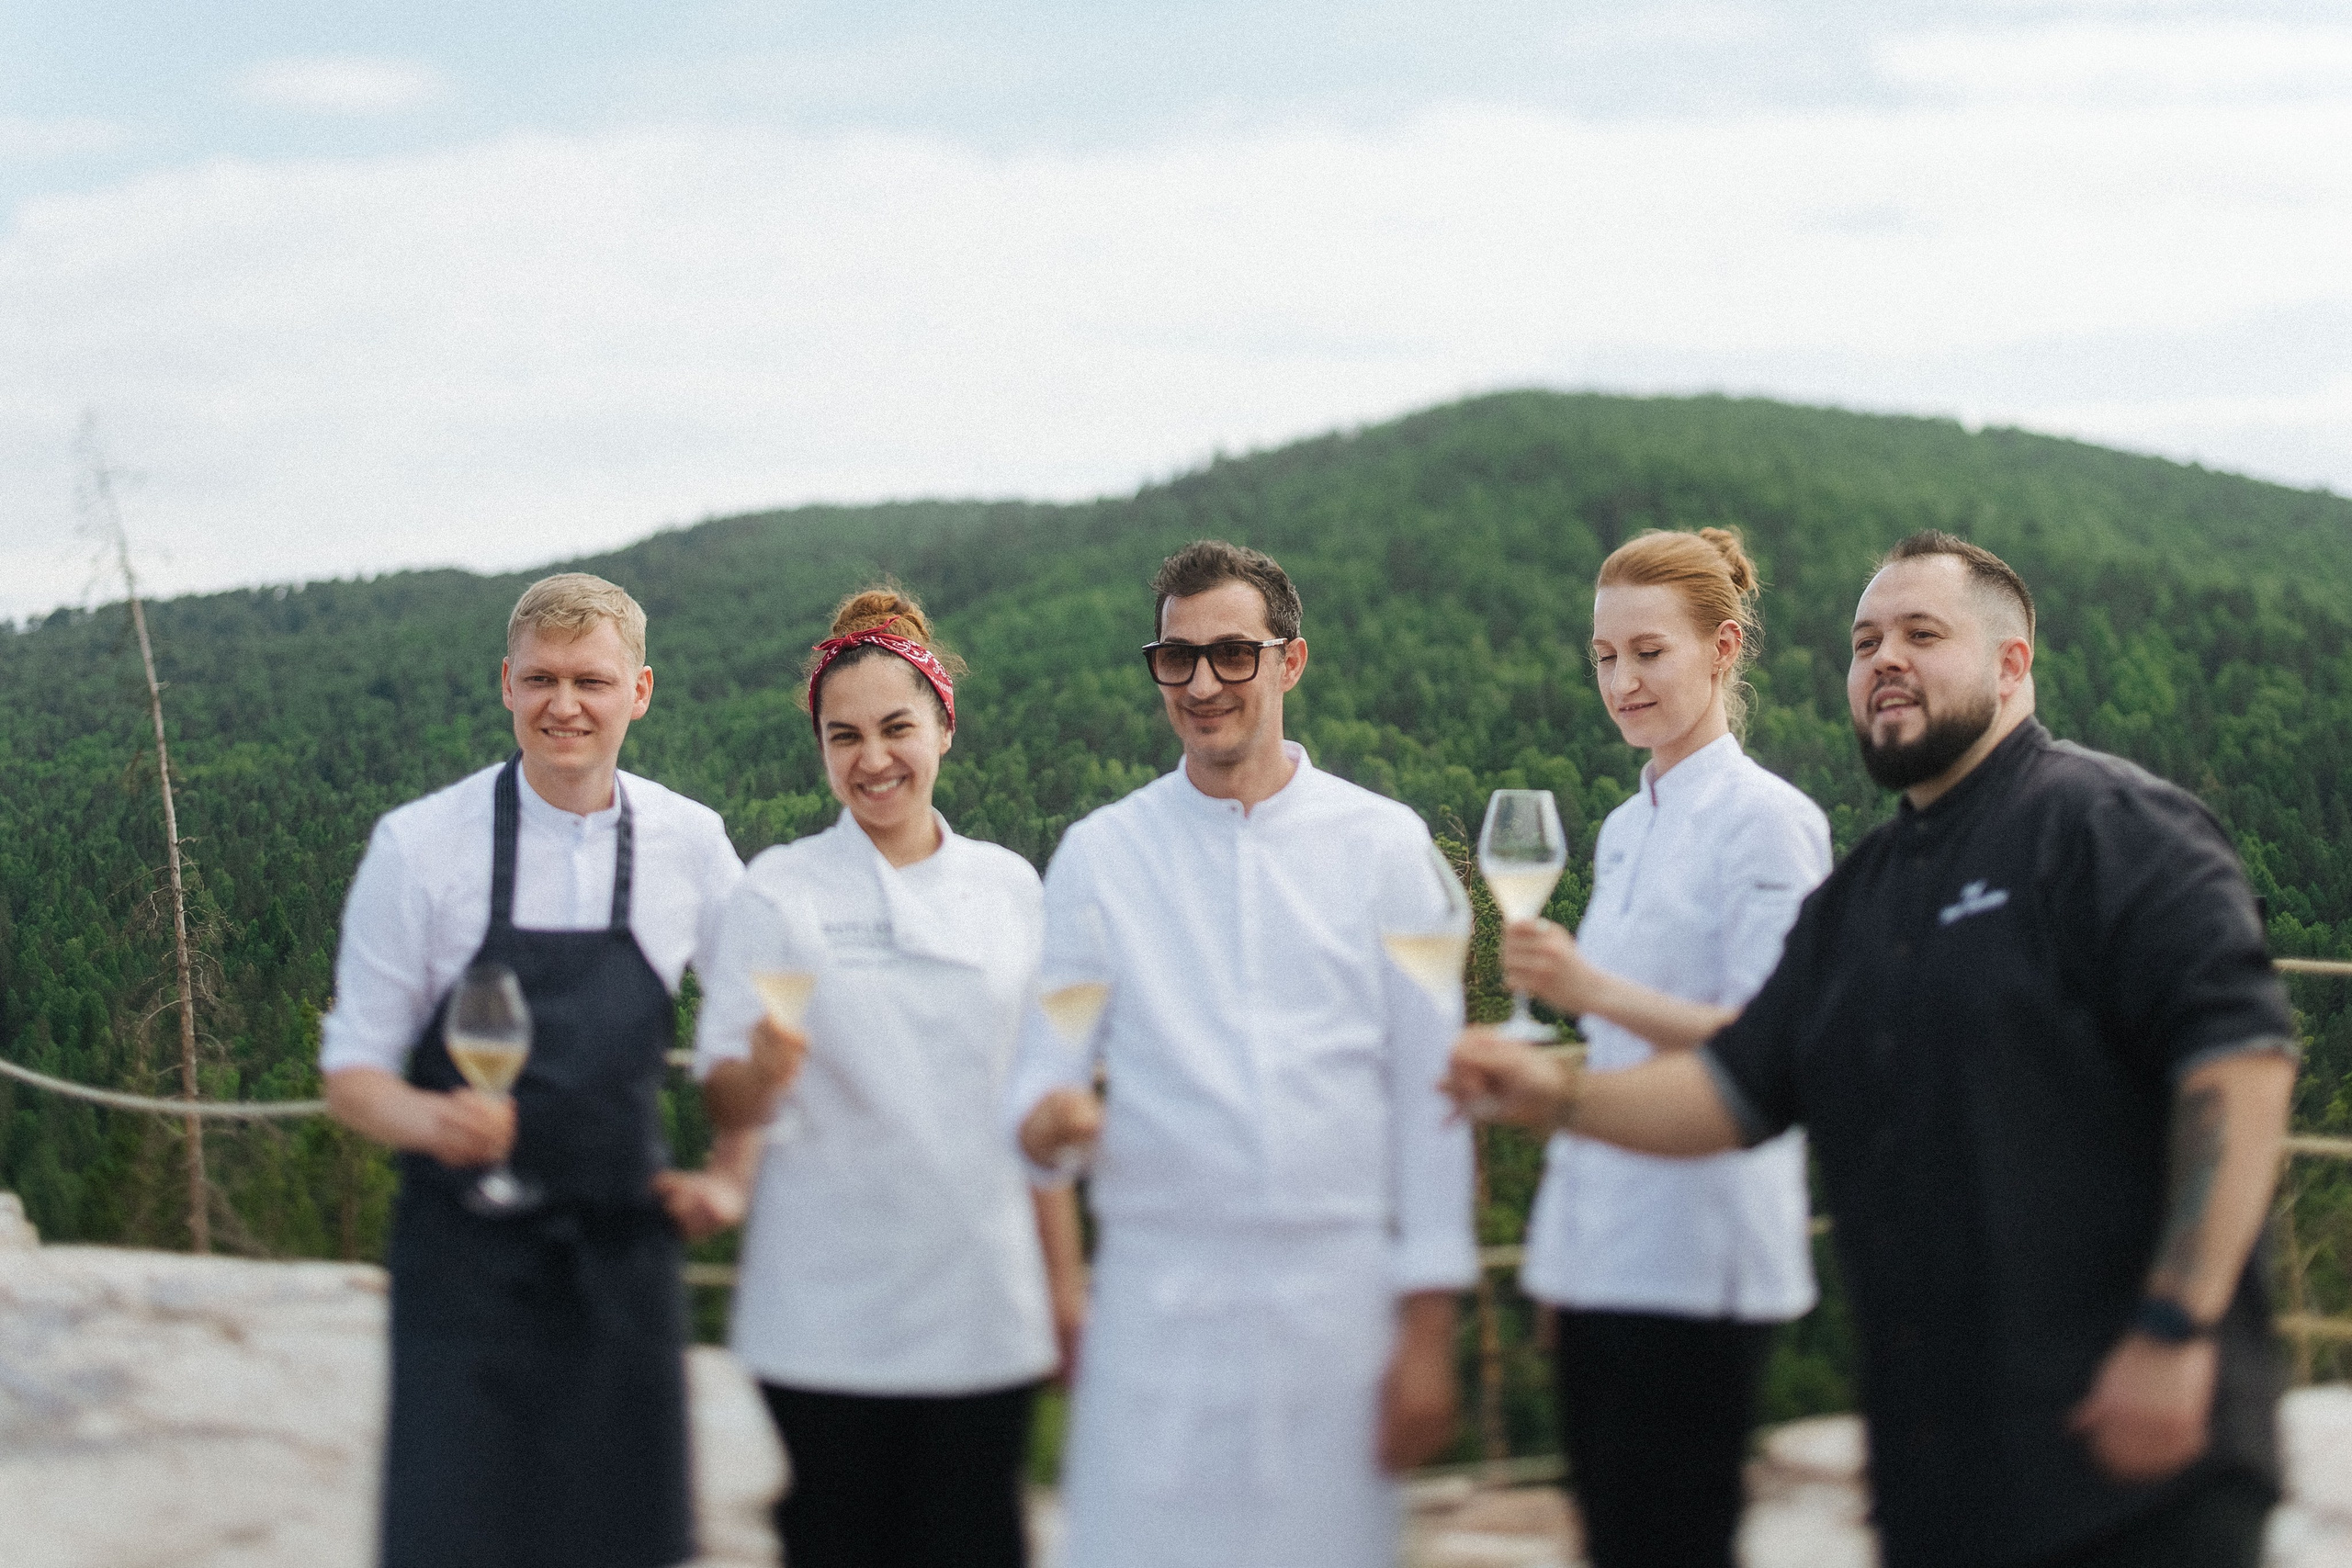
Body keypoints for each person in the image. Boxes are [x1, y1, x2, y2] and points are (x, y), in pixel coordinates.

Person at [1447, 531, 2297, 1568]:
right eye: (1864, 641)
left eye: (1921, 634)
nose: (1884, 658)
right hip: (1938, 1473)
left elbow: (2240, 1065)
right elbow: (1732, 1087)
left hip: (2131, 1471)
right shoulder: (1865, 897)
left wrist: (2175, 1332)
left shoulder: (2112, 826)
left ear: (2010, 662)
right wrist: (1545, 1094)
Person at [1012, 539, 1477, 1568]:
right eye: (1176, 659)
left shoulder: (1386, 847)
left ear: (1289, 662)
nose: (1204, 683)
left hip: (1338, 1311)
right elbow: (1042, 1075)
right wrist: (1047, 1126)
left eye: (1233, 654)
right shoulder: (1101, 854)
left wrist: (1430, 1336)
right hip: (1156, 1313)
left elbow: (1429, 1095)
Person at [320, 572, 744, 1568]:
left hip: (620, 1263)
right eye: (541, 679)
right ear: (504, 684)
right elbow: (351, 1074)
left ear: (640, 691)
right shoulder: (418, 847)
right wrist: (430, 1123)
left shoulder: (692, 843)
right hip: (463, 1270)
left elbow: (751, 1032)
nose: (564, 705)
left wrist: (734, 1169)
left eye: (592, 681)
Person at [663, 587, 1089, 1568]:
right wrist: (759, 1075)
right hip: (824, 1312)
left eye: (897, 728)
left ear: (944, 727)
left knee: (977, 1539)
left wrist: (1064, 1295)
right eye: (842, 735)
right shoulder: (781, 890)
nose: (872, 759)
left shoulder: (1010, 890)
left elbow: (1036, 1103)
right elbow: (725, 1097)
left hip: (983, 1303)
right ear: (820, 747)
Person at [1501, 527, 1828, 1568]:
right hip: (1605, 1244)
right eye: (1604, 657)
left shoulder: (1769, 823)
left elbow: (1775, 1039)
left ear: (1722, 647)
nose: (1622, 680)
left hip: (1701, 1254)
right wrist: (1561, 1257)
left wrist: (1588, 988)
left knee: (1673, 1540)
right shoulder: (1623, 826)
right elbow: (1608, 1059)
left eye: (1649, 653)